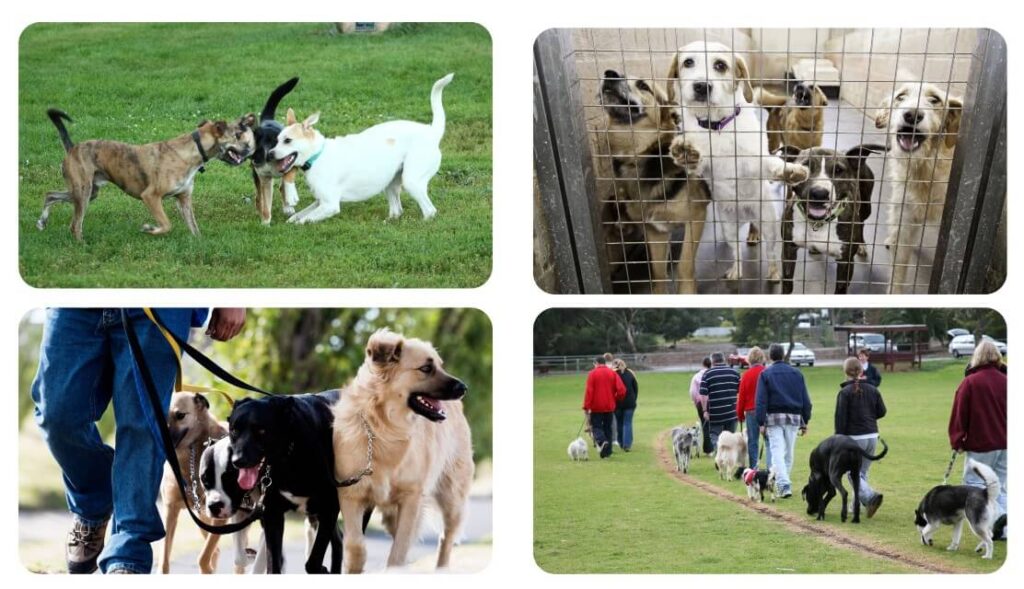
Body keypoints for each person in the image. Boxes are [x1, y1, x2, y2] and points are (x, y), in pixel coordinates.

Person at [30, 308, 246, 574]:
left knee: (142, 427)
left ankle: (128, 555)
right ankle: (95, 499)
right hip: (78, 300)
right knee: (57, 414)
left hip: (162, 304)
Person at [949, 340, 1007, 540]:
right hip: (1006, 443)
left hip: (982, 443)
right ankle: (1006, 528)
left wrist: (957, 440)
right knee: (1000, 486)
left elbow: (959, 413)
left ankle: (1001, 517)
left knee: (973, 484)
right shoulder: (1007, 380)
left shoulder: (971, 382)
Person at [756, 343, 812, 498]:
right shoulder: (797, 373)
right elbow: (806, 399)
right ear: (783, 355)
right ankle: (783, 482)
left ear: (769, 356)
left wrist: (760, 422)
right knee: (788, 453)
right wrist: (805, 420)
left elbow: (761, 401)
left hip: (774, 418)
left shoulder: (766, 374)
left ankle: (783, 484)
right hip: (793, 417)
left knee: (777, 452)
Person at [834, 357, 887, 517]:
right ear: (861, 370)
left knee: (852, 473)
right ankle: (856, 504)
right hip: (872, 436)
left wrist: (838, 441)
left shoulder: (844, 393)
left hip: (854, 439)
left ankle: (870, 497)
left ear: (845, 372)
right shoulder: (873, 389)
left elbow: (840, 420)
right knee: (861, 473)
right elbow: (882, 411)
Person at [583, 355, 626, 458]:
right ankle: (607, 452)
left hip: (596, 406)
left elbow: (589, 392)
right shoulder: (612, 373)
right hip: (609, 406)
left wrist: (586, 406)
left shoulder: (592, 374)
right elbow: (622, 390)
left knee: (596, 427)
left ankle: (602, 441)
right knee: (608, 428)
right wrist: (616, 398)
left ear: (596, 363)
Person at [700, 352, 740, 451]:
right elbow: (740, 391)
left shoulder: (707, 374)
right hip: (732, 412)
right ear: (724, 360)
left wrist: (705, 410)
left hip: (716, 413)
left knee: (715, 435)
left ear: (712, 361)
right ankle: (728, 458)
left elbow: (703, 395)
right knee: (730, 437)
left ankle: (720, 455)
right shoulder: (734, 372)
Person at [736, 346, 766, 469]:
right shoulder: (766, 372)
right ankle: (771, 466)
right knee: (769, 441)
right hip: (765, 410)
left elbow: (741, 396)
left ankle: (754, 467)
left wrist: (739, 414)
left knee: (753, 441)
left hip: (751, 411)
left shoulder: (746, 375)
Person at [613, 359, 639, 452]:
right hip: (630, 403)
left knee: (619, 423)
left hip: (617, 403)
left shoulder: (613, 374)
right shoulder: (631, 373)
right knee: (627, 423)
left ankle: (620, 442)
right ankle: (627, 444)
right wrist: (634, 399)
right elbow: (636, 388)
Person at [689, 356, 713, 455]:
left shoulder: (696, 376)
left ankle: (708, 450)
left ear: (702, 364)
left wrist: (696, 403)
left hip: (701, 403)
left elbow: (693, 392)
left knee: (705, 426)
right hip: (714, 402)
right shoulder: (713, 375)